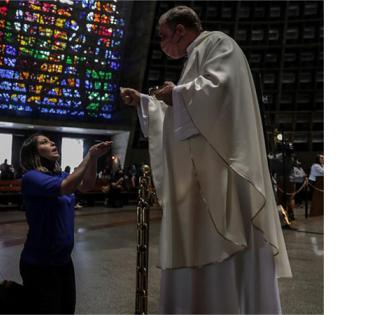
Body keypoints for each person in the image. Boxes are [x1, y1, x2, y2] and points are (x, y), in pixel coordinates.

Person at [120, 5, 291, 313]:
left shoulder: (218, 43)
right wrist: (145, 102)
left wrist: (178, 93)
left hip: (223, 168)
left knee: (221, 241)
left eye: (163, 36)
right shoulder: (195, 56)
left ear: (180, 30)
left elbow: (219, 89)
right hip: (204, 171)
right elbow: (185, 113)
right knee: (200, 240)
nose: (162, 43)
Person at [19, 134, 111, 313]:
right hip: (40, 264)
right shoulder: (31, 177)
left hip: (63, 261)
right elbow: (66, 187)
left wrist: (94, 159)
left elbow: (87, 185)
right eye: (44, 142)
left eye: (51, 140)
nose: (52, 143)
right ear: (34, 153)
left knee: (67, 310)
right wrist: (88, 156)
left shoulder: (60, 175)